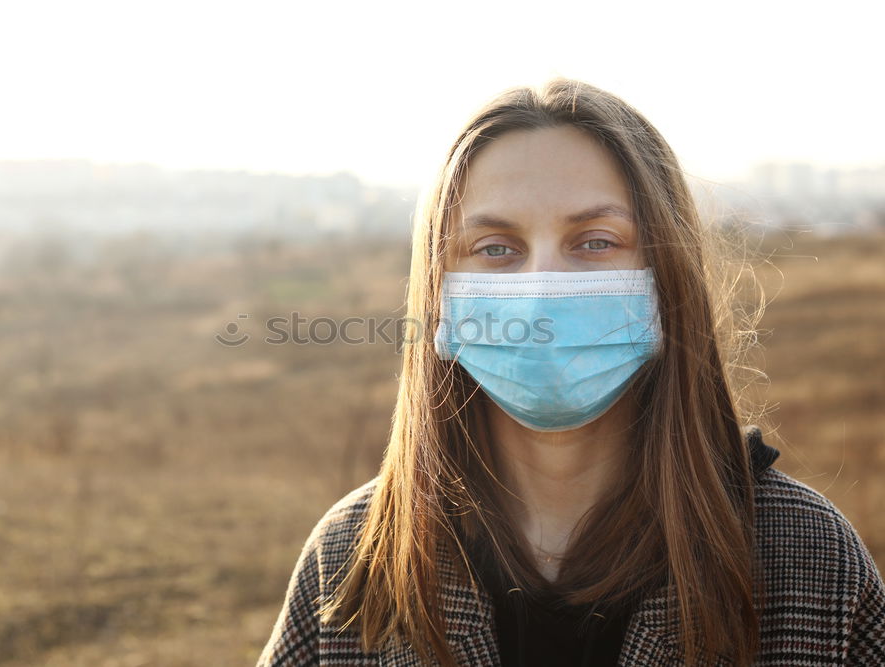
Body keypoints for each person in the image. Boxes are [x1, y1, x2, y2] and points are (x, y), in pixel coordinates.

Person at [257, 78, 885, 666]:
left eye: (594, 241)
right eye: (496, 249)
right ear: (440, 294)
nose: (542, 291)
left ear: (668, 278)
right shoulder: (349, 562)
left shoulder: (810, 560)